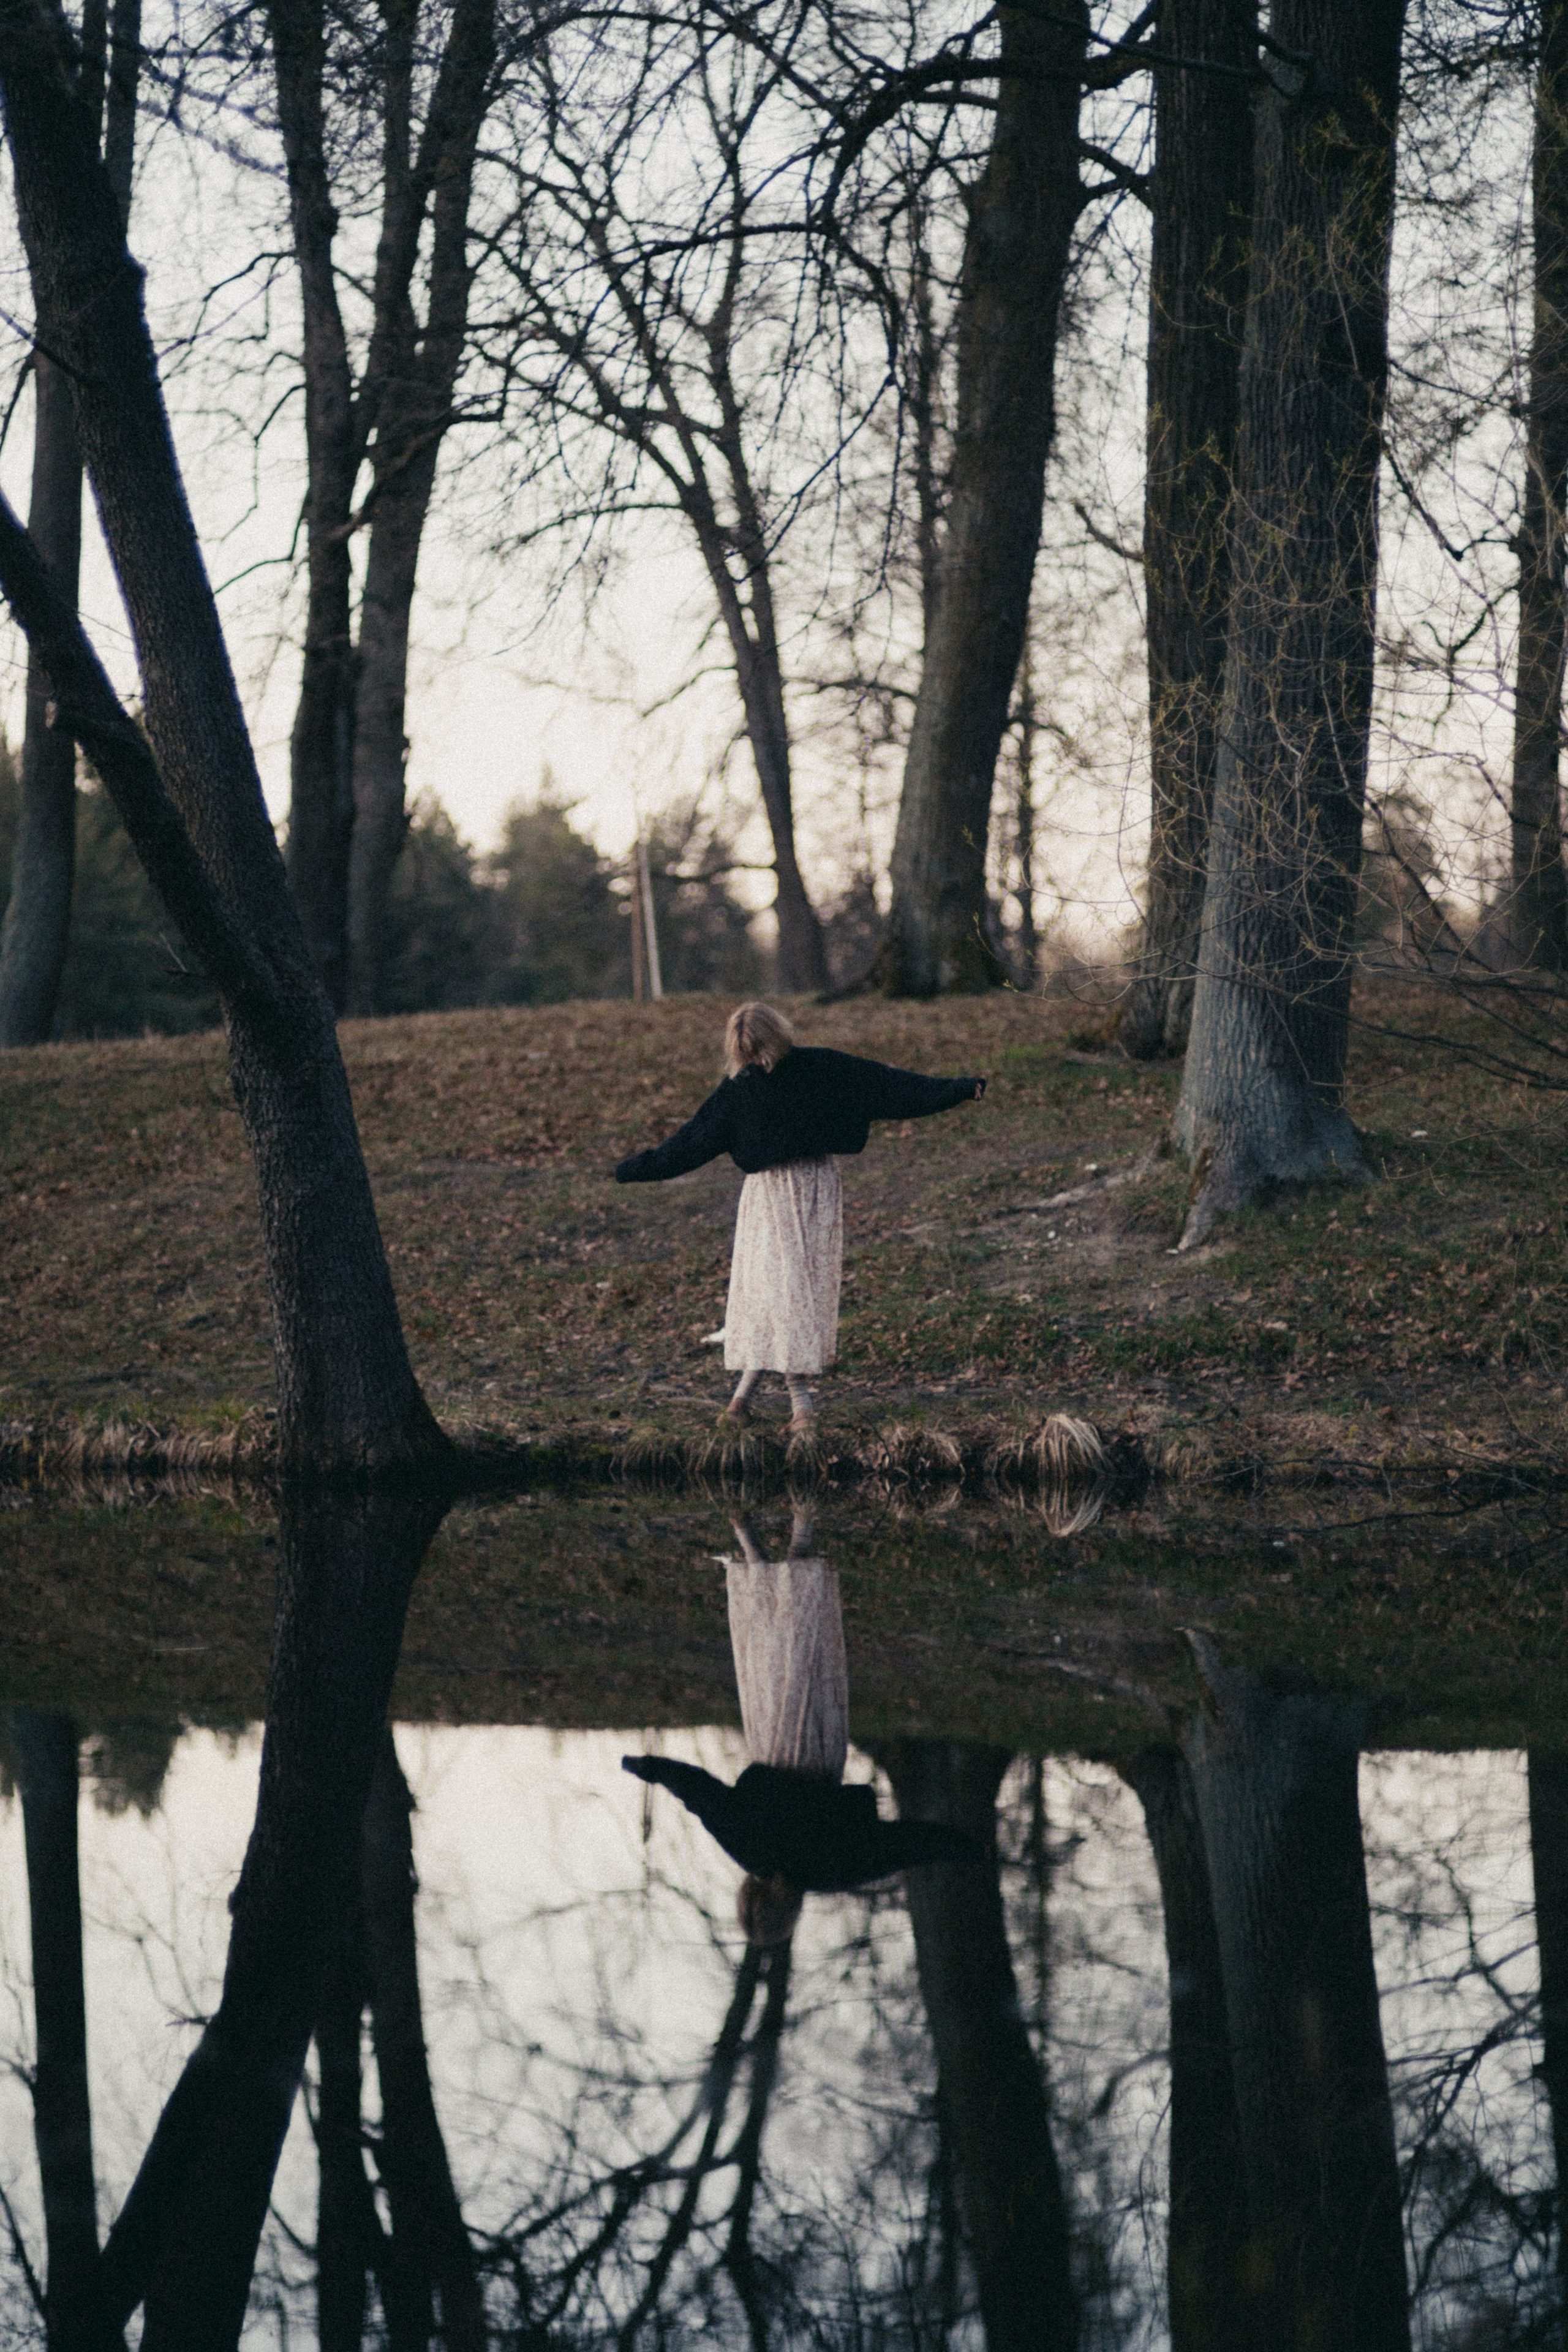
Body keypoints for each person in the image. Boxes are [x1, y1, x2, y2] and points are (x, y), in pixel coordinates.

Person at [613, 1003, 984, 1431]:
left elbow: (687, 1146)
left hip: (782, 1193)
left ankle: (759, 1404)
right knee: (781, 1293)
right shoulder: (804, 1072)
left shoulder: (759, 1085)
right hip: (799, 1190)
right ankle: (780, 1403)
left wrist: (631, 1170)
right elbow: (891, 1086)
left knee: (786, 1293)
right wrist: (958, 1089)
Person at [624, 1510, 976, 1947]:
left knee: (809, 1650)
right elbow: (699, 1793)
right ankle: (756, 1555)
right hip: (769, 1742)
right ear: (748, 1895)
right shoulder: (746, 1848)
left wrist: (966, 1849)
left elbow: (909, 1847)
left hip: (821, 1751)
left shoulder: (831, 1872)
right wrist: (649, 1768)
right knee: (768, 1658)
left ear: (791, 1912)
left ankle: (798, 1537)